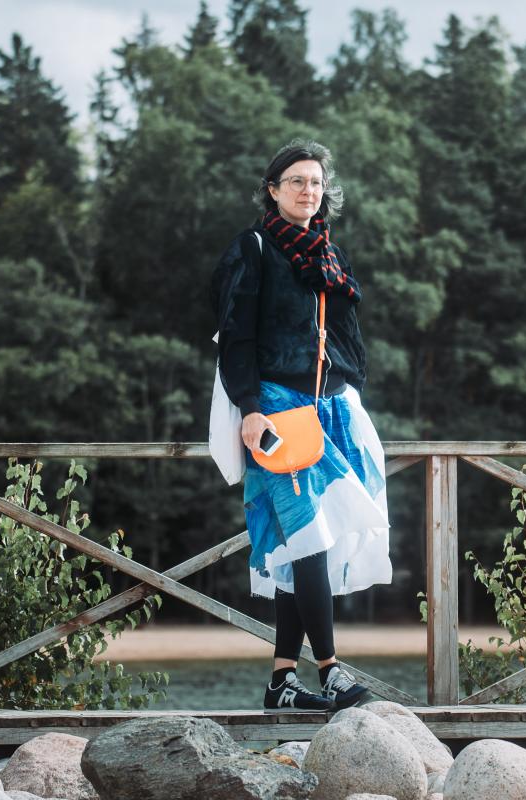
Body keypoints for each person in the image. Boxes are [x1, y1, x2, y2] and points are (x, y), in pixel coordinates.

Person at [210, 140, 391, 712]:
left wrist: (348, 387)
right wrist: (248, 406)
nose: (308, 191)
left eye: (315, 182)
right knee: (309, 537)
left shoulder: (326, 253)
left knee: (311, 542)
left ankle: (282, 682)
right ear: (273, 189)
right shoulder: (255, 248)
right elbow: (235, 335)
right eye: (296, 182)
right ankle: (331, 672)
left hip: (329, 409)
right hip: (276, 409)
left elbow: (342, 335)